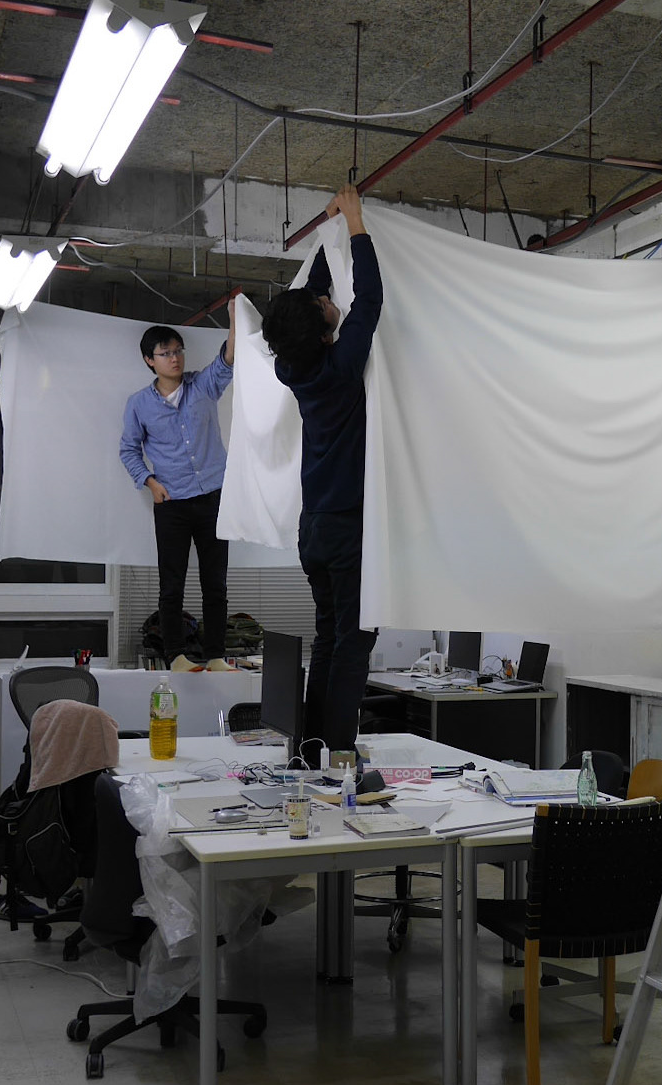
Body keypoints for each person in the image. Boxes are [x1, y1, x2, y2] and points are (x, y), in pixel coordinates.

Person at [262, 184, 383, 761]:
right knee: (353, 640)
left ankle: (314, 746)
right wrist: (356, 225)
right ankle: (337, 751)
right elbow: (371, 300)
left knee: (332, 637)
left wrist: (329, 231)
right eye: (322, 305)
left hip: (314, 529)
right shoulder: (339, 368)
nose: (327, 299)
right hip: (341, 527)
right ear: (321, 327)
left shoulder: (294, 367)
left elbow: (310, 301)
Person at [118, 315, 237, 672]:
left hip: (213, 498)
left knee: (215, 584)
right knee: (172, 586)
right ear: (149, 360)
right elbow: (128, 449)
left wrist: (234, 319)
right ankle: (176, 657)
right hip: (171, 503)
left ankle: (215, 656)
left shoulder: (203, 385)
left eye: (178, 351)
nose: (175, 358)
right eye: (166, 353)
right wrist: (150, 482)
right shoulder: (139, 404)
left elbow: (228, 359)